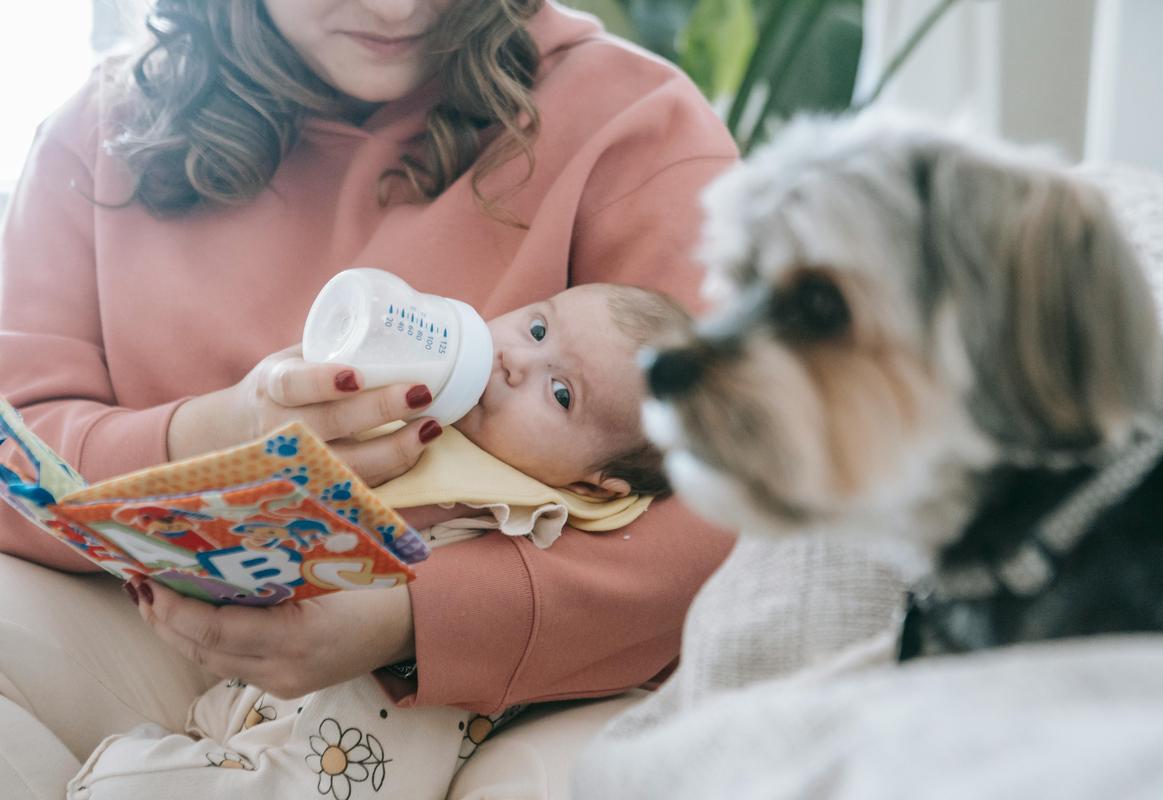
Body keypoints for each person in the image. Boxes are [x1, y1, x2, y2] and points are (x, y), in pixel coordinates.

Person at [0, 0, 736, 786]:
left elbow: (746, 500)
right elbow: (19, 445)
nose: (395, 8)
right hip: (145, 618)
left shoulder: (632, 124)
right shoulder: (97, 139)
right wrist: (217, 434)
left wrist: (412, 618)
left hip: (488, 687)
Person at [67, 282, 690, 800]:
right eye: (536, 329)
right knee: (221, 731)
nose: (515, 362)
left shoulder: (543, 509)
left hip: (386, 727)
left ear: (599, 486)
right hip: (259, 683)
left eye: (561, 394)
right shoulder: (417, 409)